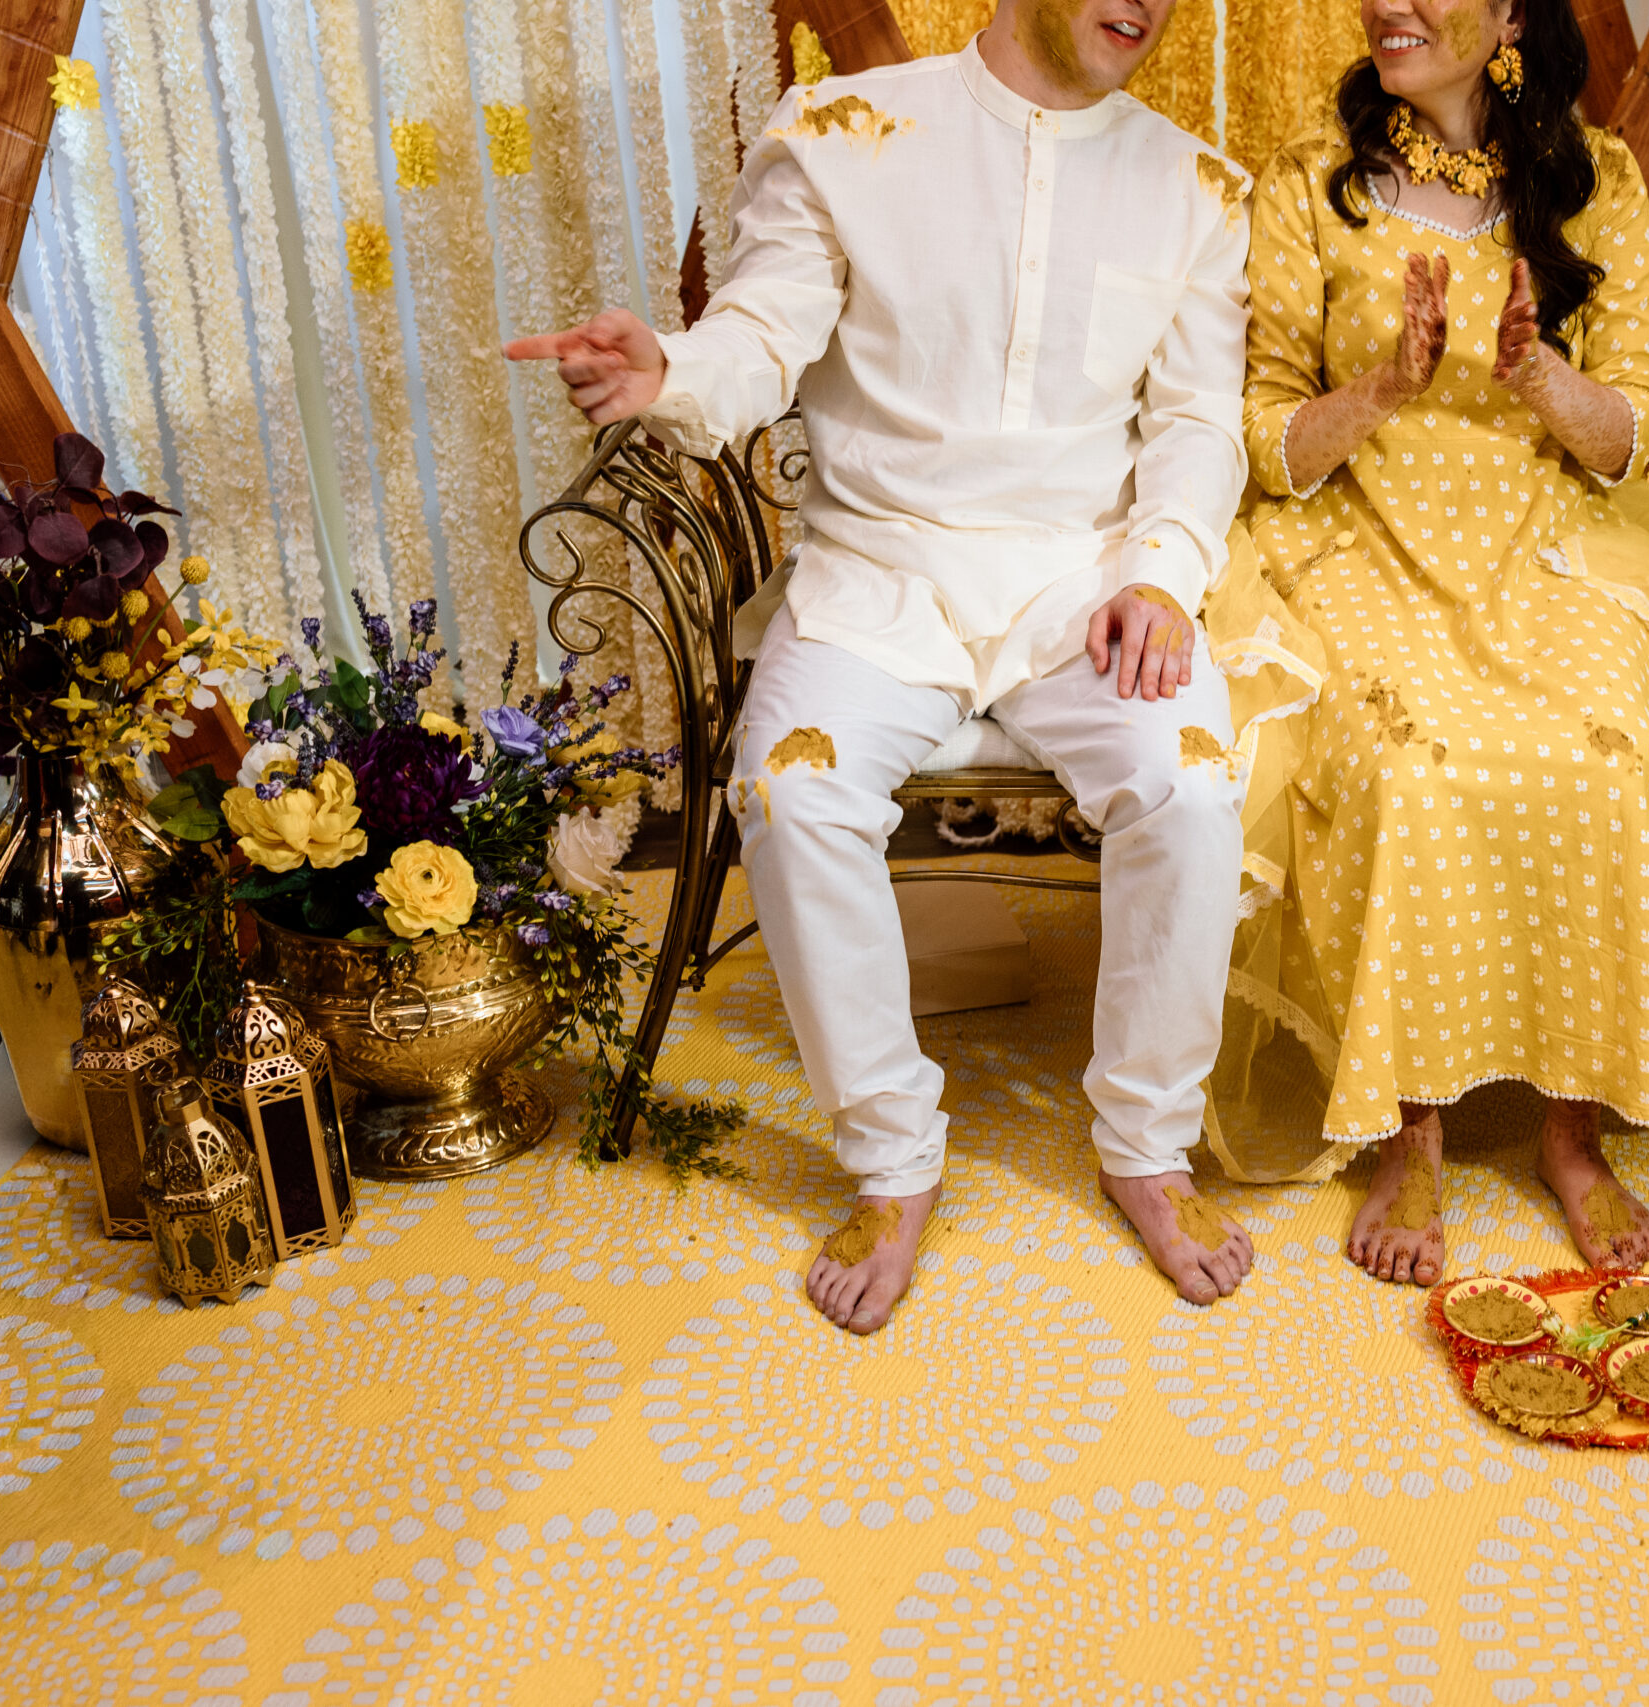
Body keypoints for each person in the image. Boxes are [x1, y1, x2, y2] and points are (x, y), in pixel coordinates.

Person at [508, 0, 1260, 1333]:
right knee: (792, 799)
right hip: (878, 577)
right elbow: (757, 341)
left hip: (1081, 584)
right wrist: (670, 366)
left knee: (1195, 789)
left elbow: (1199, 421)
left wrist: (1162, 574)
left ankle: (1146, 1140)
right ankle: (893, 1159)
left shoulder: (1197, 186)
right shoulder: (846, 134)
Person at [1199, 0, 1649, 1285]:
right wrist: (1385, 391)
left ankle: (1572, 1134)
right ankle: (1415, 1125)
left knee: (1622, 753)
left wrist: (1535, 379)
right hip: (1354, 538)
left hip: (1548, 540)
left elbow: (1634, 431)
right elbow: (1265, 437)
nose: (1387, 5)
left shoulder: (1596, 178)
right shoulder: (1310, 182)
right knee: (1413, 770)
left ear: (1508, 13)